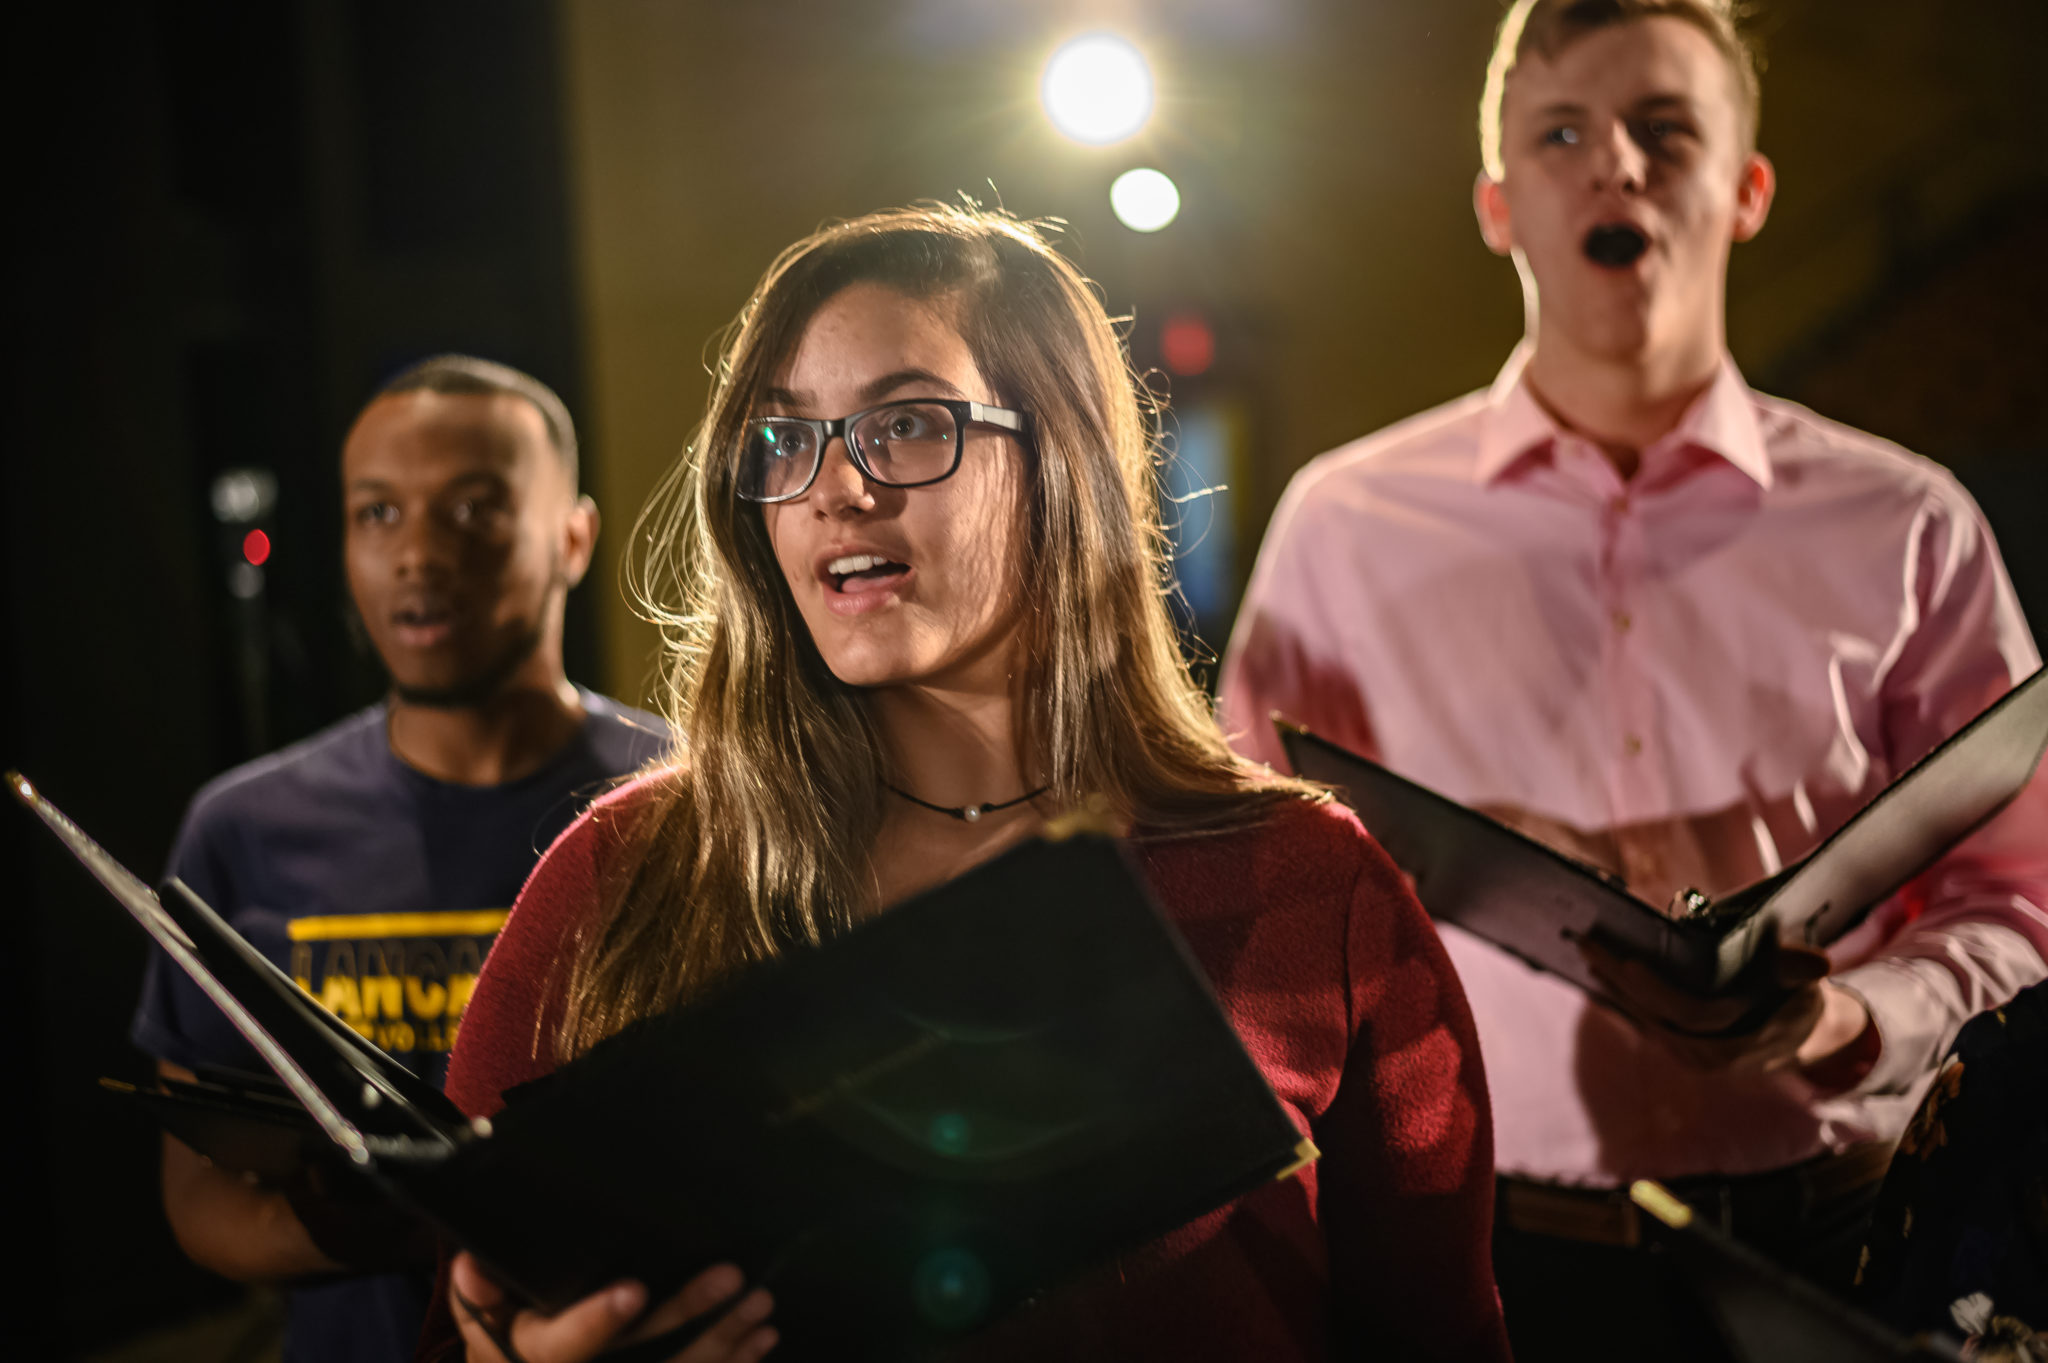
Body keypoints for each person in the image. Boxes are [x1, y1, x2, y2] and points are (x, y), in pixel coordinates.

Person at [416, 205, 1512, 1363]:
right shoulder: (623, 874)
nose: (834, 490)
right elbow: (450, 1328)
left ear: (1064, 458)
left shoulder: (1309, 886)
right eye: (786, 443)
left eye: (901, 426)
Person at [1217, 1, 2048, 1358]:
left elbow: (2025, 898)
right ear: (1499, 204)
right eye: (1564, 133)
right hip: (1478, 1254)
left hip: (1839, 1235)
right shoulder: (1343, 525)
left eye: (1666, 131)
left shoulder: (1912, 523)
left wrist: (1846, 1017)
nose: (1617, 165)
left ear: (1749, 187)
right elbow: (1257, 916)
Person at [131, 355, 668, 1363]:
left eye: (472, 511)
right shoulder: (244, 829)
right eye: (377, 513)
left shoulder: (687, 810)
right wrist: (416, 1224)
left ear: (573, 536)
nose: (417, 554)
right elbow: (197, 1191)